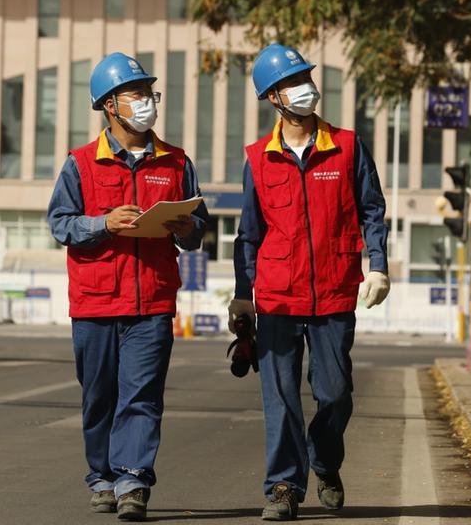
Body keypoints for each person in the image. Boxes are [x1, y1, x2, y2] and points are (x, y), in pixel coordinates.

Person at [229, 43, 390, 521]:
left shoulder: (347, 146)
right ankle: (283, 486)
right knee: (280, 399)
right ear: (274, 98)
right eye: (293, 82)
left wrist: (377, 264)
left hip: (335, 292)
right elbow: (248, 232)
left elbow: (372, 210)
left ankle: (325, 460)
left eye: (305, 78)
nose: (306, 88)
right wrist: (243, 294)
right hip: (278, 296)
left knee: (336, 392)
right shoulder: (259, 158)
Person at [47, 51, 208, 522]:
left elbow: (199, 227)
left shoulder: (176, 161)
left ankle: (132, 478)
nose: (146, 101)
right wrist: (103, 223)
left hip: (152, 302)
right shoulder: (80, 164)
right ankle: (101, 476)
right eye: (135, 93)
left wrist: (185, 227)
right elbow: (60, 224)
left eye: (148, 93)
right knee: (99, 395)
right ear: (109, 106)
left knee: (141, 395)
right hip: (95, 303)